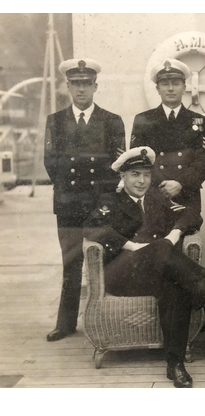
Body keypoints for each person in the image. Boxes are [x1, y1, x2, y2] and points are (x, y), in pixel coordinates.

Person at [83, 147, 205, 388]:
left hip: (158, 272)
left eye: (146, 174)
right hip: (124, 274)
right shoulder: (110, 201)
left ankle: (175, 364)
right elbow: (91, 228)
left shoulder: (158, 199)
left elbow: (191, 215)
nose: (142, 180)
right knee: (162, 250)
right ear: (122, 176)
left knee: (175, 286)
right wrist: (132, 247)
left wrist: (175, 234)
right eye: (135, 174)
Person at [44, 58, 125, 342]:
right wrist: (70, 193)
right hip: (67, 204)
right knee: (71, 263)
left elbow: (117, 166)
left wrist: (103, 201)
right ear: (67, 86)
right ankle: (66, 324)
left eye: (86, 84)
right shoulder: (55, 121)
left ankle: (109, 319)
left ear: (95, 86)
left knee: (106, 260)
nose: (81, 90)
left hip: (100, 203)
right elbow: (51, 163)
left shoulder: (112, 121)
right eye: (76, 84)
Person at [130, 58, 205, 214]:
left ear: (184, 87)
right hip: (153, 193)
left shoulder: (198, 120)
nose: (171, 89)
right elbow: (138, 160)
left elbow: (202, 161)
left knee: (187, 234)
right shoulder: (143, 120)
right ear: (158, 88)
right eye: (165, 84)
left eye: (176, 83)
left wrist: (180, 183)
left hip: (187, 194)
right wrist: (162, 184)